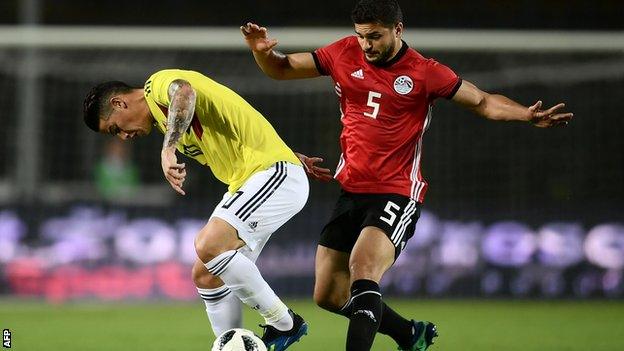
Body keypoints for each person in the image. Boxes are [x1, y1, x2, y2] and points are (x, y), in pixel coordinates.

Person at [241, 0, 573, 350]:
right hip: (351, 190)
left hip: (397, 192)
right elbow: (281, 69)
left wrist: (526, 115)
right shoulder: (343, 52)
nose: (366, 45)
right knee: (328, 295)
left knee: (363, 267)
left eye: (375, 36)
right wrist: (261, 52)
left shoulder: (425, 71)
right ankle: (409, 334)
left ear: (398, 30)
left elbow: (483, 102)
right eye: (361, 36)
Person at [82, 69, 326, 351]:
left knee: (208, 245)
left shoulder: (156, 86)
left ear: (119, 103)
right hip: (256, 178)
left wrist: (168, 148)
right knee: (207, 275)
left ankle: (285, 322)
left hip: (271, 174)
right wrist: (287, 152)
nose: (123, 137)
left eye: (115, 128)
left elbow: (184, 91)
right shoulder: (165, 121)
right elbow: (236, 122)